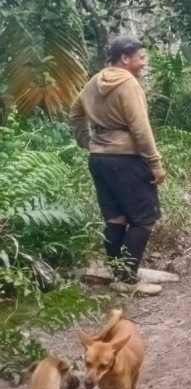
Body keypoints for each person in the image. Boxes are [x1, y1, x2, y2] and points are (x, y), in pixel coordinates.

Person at [70, 36, 164, 296]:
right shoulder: (128, 84)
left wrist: (89, 141)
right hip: (127, 159)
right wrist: (155, 163)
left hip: (99, 158)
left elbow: (75, 112)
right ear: (125, 58)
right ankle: (128, 280)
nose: (143, 63)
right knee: (144, 219)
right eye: (141, 57)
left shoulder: (93, 82)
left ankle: (119, 274)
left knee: (116, 218)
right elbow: (140, 127)